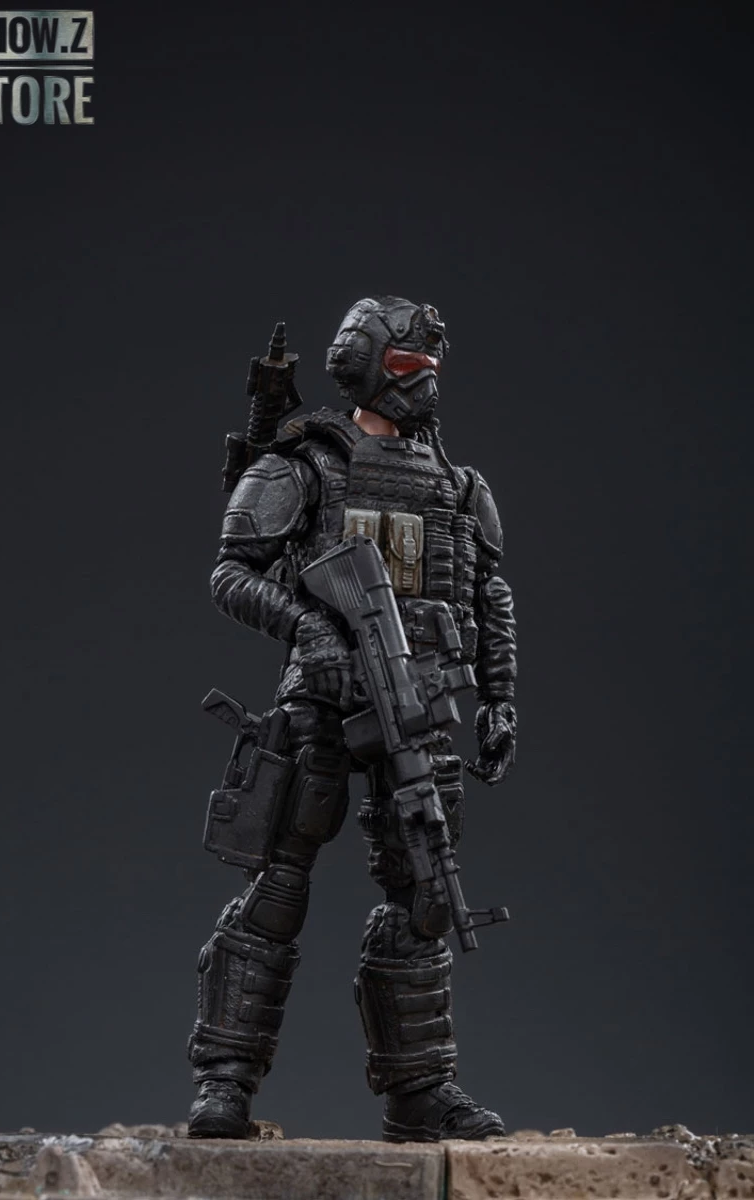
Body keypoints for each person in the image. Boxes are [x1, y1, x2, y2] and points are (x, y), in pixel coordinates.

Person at [187, 296, 517, 1142]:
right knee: (277, 888)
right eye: (407, 368)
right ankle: (225, 1080)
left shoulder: (456, 485)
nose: (424, 384)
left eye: (431, 370)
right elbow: (232, 572)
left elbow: (490, 595)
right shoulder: (307, 462)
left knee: (424, 893)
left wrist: (500, 698)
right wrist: (310, 628)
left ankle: (421, 1091)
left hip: (421, 707)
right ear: (365, 367)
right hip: (326, 699)